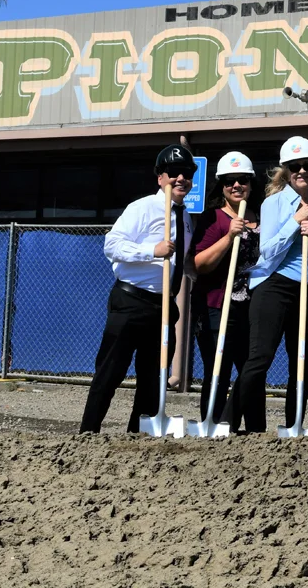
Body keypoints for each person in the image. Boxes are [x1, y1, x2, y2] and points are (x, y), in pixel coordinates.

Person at [79, 144, 196, 433]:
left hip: (164, 306)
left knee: (154, 378)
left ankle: (137, 437)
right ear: (161, 178)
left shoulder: (186, 219)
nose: (181, 179)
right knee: (110, 371)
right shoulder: (142, 208)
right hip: (130, 302)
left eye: (187, 174)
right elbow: (112, 245)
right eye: (174, 173)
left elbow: (185, 262)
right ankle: (87, 433)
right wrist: (151, 251)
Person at [238, 136, 308, 433]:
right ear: (285, 170)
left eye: (307, 165)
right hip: (275, 286)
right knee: (260, 359)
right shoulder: (274, 203)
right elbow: (268, 250)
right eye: (294, 166)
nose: (301, 171)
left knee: (303, 363)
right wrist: (295, 223)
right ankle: (227, 421)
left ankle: (294, 424)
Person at [191, 151, 260, 432]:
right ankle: (214, 424)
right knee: (217, 370)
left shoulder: (261, 217)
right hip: (217, 307)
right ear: (222, 185)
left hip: (253, 307)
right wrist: (229, 237)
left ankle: (254, 429)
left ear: (251, 183)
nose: (236, 185)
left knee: (252, 370)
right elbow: (198, 264)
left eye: (242, 180)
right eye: (230, 181)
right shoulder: (214, 219)